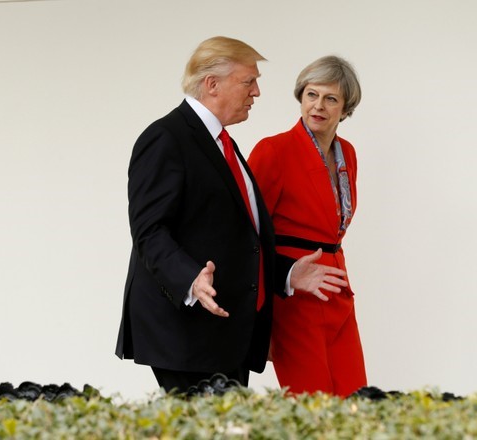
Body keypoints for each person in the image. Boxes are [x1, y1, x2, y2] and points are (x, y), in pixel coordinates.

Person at [115, 37, 345, 394]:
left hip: (225, 333)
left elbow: (241, 238)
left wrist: (287, 274)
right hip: (186, 334)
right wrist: (190, 278)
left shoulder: (223, 143)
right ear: (212, 85)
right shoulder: (166, 137)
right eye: (248, 82)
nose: (256, 92)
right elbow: (148, 231)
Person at [248, 55, 367, 397]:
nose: (318, 106)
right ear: (300, 97)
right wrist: (261, 320)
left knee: (356, 402)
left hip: (338, 294)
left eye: (331, 99)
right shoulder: (273, 150)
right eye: (311, 95)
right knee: (311, 406)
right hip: (294, 299)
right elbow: (250, 236)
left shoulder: (349, 153)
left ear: (345, 109)